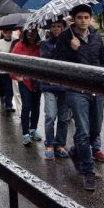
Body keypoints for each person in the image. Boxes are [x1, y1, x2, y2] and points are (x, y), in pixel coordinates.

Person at [54, 4, 104, 192]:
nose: (83, 21)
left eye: (86, 17)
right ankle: (88, 171)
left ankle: (75, 151)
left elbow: (103, 62)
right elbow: (58, 64)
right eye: (79, 18)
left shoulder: (96, 36)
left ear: (90, 19)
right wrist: (72, 50)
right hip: (76, 90)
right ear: (73, 19)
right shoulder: (65, 38)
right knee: (83, 131)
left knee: (95, 131)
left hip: (96, 90)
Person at [39, 20, 69, 160]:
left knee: (64, 117)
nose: (56, 29)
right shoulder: (45, 44)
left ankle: (60, 144)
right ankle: (49, 144)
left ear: (63, 28)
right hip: (49, 85)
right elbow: (48, 60)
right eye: (53, 26)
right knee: (51, 115)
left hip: (65, 86)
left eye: (59, 26)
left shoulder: (70, 41)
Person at [12, 29, 42, 145]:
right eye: (28, 32)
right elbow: (12, 62)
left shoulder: (40, 46)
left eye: (33, 32)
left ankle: (33, 129)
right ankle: (25, 133)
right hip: (24, 82)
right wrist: (16, 76)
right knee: (26, 106)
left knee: (36, 106)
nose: (31, 34)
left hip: (37, 82)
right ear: (24, 33)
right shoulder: (19, 46)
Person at [0, 29, 17, 113]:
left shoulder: (15, 40)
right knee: (2, 86)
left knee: (10, 88)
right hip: (2, 69)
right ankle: (2, 96)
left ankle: (9, 105)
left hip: (11, 69)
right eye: (6, 32)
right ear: (3, 33)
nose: (8, 34)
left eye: (9, 32)